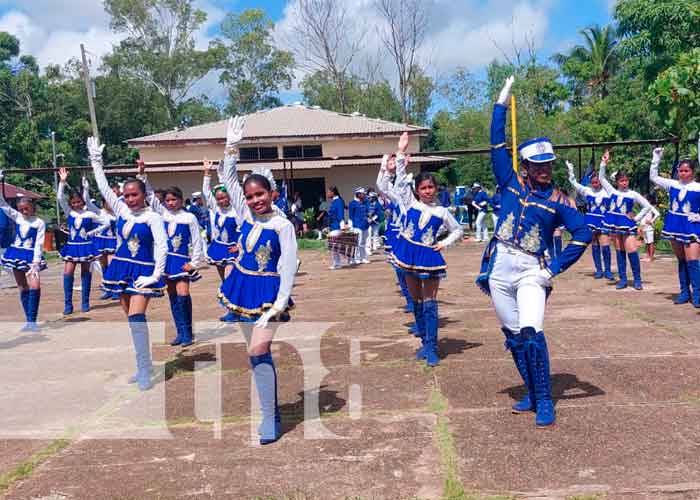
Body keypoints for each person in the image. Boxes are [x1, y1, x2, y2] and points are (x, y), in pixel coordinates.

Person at [477, 75, 591, 427]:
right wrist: (500, 104)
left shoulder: (560, 200)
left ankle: (545, 400)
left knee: (531, 332)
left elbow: (582, 233)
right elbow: (497, 144)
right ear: (524, 166)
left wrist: (553, 268)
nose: (544, 171)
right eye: (537, 165)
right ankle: (531, 390)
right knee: (512, 336)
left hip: (531, 269)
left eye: (548, 165)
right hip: (499, 268)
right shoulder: (510, 183)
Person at [216, 116, 297, 445]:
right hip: (242, 287)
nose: (254, 200)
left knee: (258, 348)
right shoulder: (245, 214)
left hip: (269, 292)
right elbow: (229, 179)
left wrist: (279, 303)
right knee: (255, 353)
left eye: (260, 194)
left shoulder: (283, 226)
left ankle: (269, 417)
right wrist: (231, 148)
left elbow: (290, 265)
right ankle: (270, 410)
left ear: (272, 193)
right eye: (249, 197)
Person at [88, 137, 168, 391]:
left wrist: (156, 275)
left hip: (144, 270)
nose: (130, 199)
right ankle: (143, 365)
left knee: (136, 315)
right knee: (131, 321)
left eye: (134, 195)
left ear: (144, 194)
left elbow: (162, 246)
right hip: (121, 268)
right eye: (126, 195)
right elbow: (102, 188)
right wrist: (96, 161)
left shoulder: (153, 217)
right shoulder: (121, 212)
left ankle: (145, 369)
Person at [382, 132, 463, 367]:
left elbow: (457, 230)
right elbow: (396, 178)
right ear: (416, 190)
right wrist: (400, 151)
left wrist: (444, 243)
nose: (428, 191)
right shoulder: (409, 203)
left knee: (430, 300)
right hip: (408, 254)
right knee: (416, 299)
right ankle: (424, 342)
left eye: (431, 187)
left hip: (429, 255)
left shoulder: (442, 212)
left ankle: (432, 345)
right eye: (424, 187)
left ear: (436, 189)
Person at [138, 167, 206, 347]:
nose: (170, 203)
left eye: (174, 199)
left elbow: (197, 241)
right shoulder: (162, 214)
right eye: (167, 200)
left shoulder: (189, 217)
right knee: (173, 296)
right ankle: (180, 331)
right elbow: (151, 196)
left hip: (182, 261)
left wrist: (194, 262)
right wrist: (143, 175)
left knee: (184, 294)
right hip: (166, 261)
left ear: (181, 200)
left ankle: (189, 332)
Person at [649, 148, 700, 306]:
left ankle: (697, 295)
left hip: (691, 226)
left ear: (692, 172)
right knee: (681, 260)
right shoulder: (672, 184)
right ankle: (684, 292)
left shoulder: (698, 187)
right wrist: (656, 158)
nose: (683, 173)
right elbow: (653, 177)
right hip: (674, 225)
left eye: (686, 170)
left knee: (693, 261)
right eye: (681, 170)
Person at [599, 152, 654, 290]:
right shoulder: (612, 191)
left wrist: (636, 218)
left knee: (632, 250)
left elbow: (647, 206)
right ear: (617, 182)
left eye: (626, 180)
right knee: (619, 251)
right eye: (622, 181)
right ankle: (623, 279)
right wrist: (603, 163)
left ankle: (637, 279)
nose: (624, 183)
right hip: (615, 224)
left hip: (628, 225)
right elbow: (601, 178)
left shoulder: (633, 194)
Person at [0, 171, 46, 331]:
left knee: (35, 286)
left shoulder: (39, 222)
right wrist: (0, 182)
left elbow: (39, 243)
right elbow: (3, 204)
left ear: (32, 207)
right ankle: (30, 322)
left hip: (31, 256)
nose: (24, 211)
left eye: (26, 208)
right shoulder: (18, 217)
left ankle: (32, 318)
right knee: (22, 287)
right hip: (16, 253)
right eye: (21, 209)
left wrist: (35, 263)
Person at [57, 167, 100, 315]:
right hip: (72, 246)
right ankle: (68, 303)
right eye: (73, 202)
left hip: (85, 246)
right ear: (71, 203)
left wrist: (92, 233)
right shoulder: (70, 213)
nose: (76, 204)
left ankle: (85, 301)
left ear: (83, 201)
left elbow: (105, 223)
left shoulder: (90, 213)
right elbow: (59, 198)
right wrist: (62, 182)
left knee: (85, 272)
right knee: (68, 272)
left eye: (78, 202)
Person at [566, 161, 614, 279]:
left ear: (601, 182)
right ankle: (598, 270)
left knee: (605, 245)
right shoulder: (587, 191)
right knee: (595, 244)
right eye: (592, 182)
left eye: (596, 182)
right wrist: (571, 170)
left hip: (604, 221)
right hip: (591, 221)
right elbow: (574, 183)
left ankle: (607, 270)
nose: (594, 184)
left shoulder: (608, 192)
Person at [202, 159, 240, 283]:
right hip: (218, 246)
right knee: (224, 279)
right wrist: (207, 172)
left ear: (229, 196)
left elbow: (245, 229)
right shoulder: (216, 209)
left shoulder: (237, 211)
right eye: (218, 199)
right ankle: (226, 292)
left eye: (223, 197)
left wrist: (239, 245)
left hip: (233, 248)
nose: (220, 201)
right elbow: (206, 192)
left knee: (230, 277)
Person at [82, 177, 119, 299]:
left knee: (112, 264)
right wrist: (86, 189)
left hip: (113, 241)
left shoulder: (119, 213)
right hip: (101, 241)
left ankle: (115, 289)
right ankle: (107, 288)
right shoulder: (99, 212)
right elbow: (87, 201)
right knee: (104, 266)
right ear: (103, 203)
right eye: (107, 202)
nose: (110, 204)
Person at [326, 186, 350, 269]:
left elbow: (340, 215)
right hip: (333, 226)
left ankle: (337, 263)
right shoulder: (334, 201)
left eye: (329, 192)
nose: (328, 193)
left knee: (334, 246)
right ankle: (337, 263)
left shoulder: (338, 202)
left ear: (333, 192)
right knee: (334, 246)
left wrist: (342, 226)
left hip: (336, 226)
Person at [348, 187, 370, 264]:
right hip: (357, 226)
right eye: (362, 194)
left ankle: (363, 257)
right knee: (357, 243)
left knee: (363, 243)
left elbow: (367, 213)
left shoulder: (365, 202)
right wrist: (351, 227)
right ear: (358, 194)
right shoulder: (352, 203)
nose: (364, 195)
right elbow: (350, 216)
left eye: (364, 194)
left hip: (365, 225)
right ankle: (355, 258)